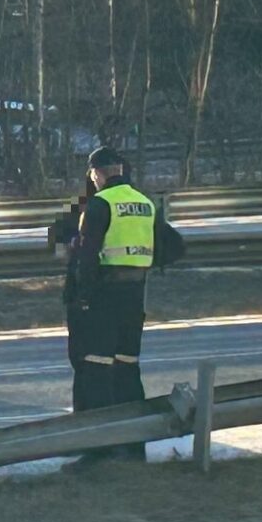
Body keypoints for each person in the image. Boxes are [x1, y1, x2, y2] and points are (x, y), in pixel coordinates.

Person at [64, 146, 184, 461]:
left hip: (104, 298)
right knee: (128, 370)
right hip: (134, 299)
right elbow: (175, 247)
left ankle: (99, 450)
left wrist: (84, 298)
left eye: (91, 174)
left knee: (96, 371)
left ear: (98, 173)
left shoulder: (100, 204)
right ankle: (134, 447)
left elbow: (87, 259)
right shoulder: (145, 203)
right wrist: (145, 263)